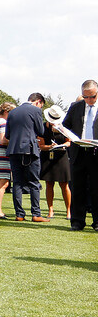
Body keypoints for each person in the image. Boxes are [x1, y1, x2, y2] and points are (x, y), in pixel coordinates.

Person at [62, 79, 98, 231]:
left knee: (97, 188)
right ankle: (77, 221)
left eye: (92, 96)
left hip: (96, 152)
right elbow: (66, 125)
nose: (89, 100)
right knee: (77, 188)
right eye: (85, 97)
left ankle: (97, 222)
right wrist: (65, 132)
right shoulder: (75, 107)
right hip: (78, 152)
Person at [5, 93, 47, 222]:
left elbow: (7, 134)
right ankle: (36, 214)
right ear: (38, 102)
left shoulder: (12, 112)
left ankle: (19, 214)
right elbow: (41, 131)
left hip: (13, 150)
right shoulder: (35, 110)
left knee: (17, 182)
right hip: (29, 150)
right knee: (34, 182)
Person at [39, 106, 71, 219]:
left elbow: (69, 142)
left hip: (62, 157)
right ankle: (50, 210)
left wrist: (62, 146)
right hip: (48, 156)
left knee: (64, 184)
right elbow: (41, 146)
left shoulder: (64, 126)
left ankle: (68, 211)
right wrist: (50, 147)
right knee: (49, 183)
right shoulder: (42, 127)